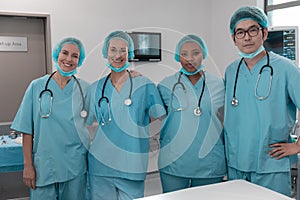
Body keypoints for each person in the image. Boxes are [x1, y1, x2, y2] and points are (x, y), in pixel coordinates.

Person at [224, 6, 300, 196]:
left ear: (264, 33)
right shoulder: (231, 71)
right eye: (240, 32)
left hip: (271, 164)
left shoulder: (286, 69)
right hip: (236, 163)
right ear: (234, 39)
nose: (247, 37)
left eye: (253, 30)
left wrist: (298, 146)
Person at [85, 30, 166, 200]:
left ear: (130, 54)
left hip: (132, 165)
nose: (118, 55)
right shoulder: (94, 88)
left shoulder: (144, 84)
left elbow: (156, 115)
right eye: (113, 49)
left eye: (123, 50)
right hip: (100, 166)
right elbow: (87, 121)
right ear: (105, 53)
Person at [11, 37, 90, 199]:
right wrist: (28, 165)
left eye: (75, 56)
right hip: (44, 166)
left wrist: (127, 75)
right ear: (57, 54)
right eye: (65, 53)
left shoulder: (85, 89)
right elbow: (27, 129)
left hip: (74, 165)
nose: (69, 59)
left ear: (79, 60)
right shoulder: (37, 86)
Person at [157, 34, 226, 193]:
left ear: (204, 54)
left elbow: (229, 119)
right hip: (174, 161)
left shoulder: (219, 84)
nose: (190, 59)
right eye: (184, 54)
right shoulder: (165, 85)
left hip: (209, 161)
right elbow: (153, 113)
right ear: (177, 56)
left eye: (195, 53)